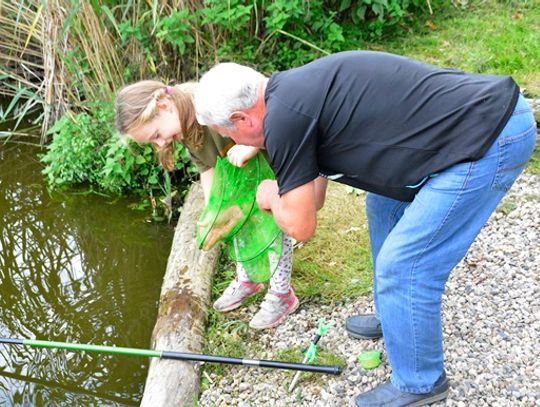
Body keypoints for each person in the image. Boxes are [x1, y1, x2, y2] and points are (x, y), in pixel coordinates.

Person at [193, 51, 537, 406]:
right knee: (382, 205)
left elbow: (300, 225)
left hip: (488, 137)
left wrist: (269, 196)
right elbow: (316, 196)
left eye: (230, 135)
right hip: (468, 126)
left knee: (404, 267)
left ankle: (421, 383)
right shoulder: (291, 95)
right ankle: (396, 316)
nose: (240, 144)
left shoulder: (284, 119)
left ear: (241, 118)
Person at [115, 80, 299, 330]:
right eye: (153, 142)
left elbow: (270, 117)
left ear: (164, 105)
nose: (161, 144)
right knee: (236, 224)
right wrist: (215, 208)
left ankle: (282, 294)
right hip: (242, 181)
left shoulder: (209, 102)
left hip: (273, 169)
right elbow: (207, 166)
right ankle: (248, 280)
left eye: (157, 135)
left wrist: (251, 145)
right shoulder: (184, 126)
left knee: (273, 228)